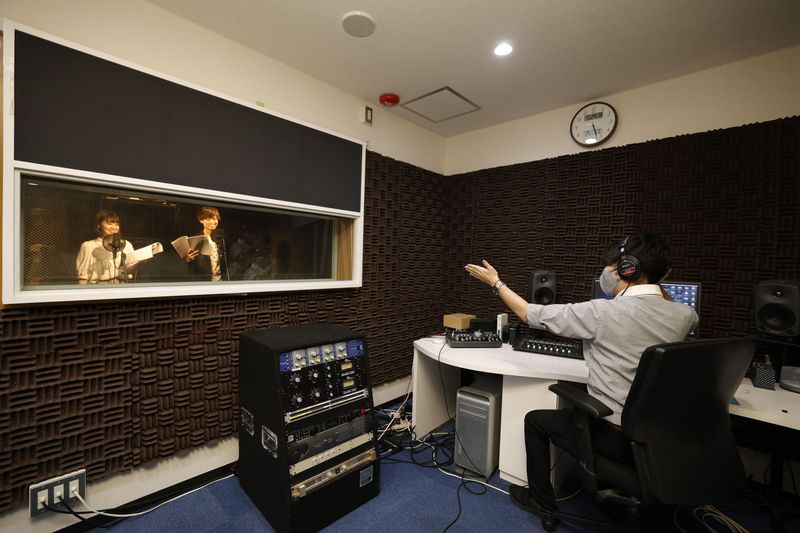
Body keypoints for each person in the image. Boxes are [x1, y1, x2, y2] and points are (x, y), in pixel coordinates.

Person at [464, 231, 698, 530]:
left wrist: (496, 283)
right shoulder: (686, 315)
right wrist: (654, 282)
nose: (605, 273)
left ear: (626, 269)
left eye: (611, 267)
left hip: (615, 438)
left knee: (535, 421)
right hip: (660, 435)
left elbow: (528, 313)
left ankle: (541, 502)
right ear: (663, 275)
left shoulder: (602, 311)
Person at [76, 210, 135, 284]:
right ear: (99, 225)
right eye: (109, 224)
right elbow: (83, 276)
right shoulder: (88, 246)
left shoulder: (126, 244)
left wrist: (140, 261)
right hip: (98, 286)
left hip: (121, 284)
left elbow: (129, 269)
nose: (114, 227)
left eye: (116, 224)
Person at [185, 206, 227, 282]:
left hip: (222, 281)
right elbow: (193, 269)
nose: (212, 222)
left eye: (215, 219)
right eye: (208, 219)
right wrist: (189, 259)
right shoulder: (195, 239)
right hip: (205, 282)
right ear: (201, 220)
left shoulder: (221, 237)